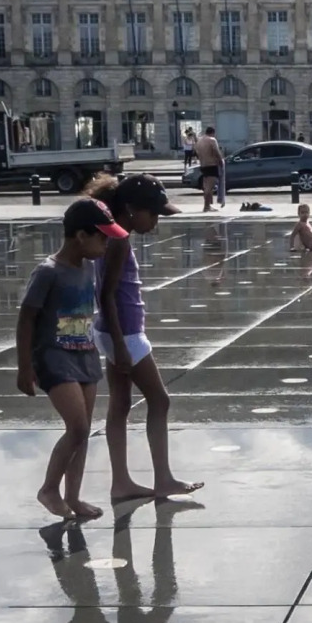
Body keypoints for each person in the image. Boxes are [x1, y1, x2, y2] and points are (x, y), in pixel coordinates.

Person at [84, 174, 202, 505]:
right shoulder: (118, 240)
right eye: (153, 214)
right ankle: (163, 479)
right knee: (160, 400)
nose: (155, 222)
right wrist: (122, 346)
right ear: (132, 209)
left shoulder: (111, 234)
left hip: (112, 331)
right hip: (125, 334)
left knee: (120, 404)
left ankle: (121, 482)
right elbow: (107, 295)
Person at [16, 198, 129, 519]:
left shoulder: (89, 267)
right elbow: (26, 318)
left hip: (85, 356)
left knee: (83, 430)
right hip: (53, 357)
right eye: (102, 237)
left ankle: (73, 497)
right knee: (77, 428)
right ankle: (48, 489)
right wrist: (25, 367)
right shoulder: (47, 273)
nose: (106, 244)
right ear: (81, 235)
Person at [193, 126, 223, 212]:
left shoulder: (199, 141)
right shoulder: (212, 140)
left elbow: (197, 153)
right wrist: (221, 161)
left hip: (203, 165)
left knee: (206, 186)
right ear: (213, 133)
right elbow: (217, 152)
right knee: (209, 187)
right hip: (212, 165)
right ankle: (206, 207)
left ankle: (208, 205)